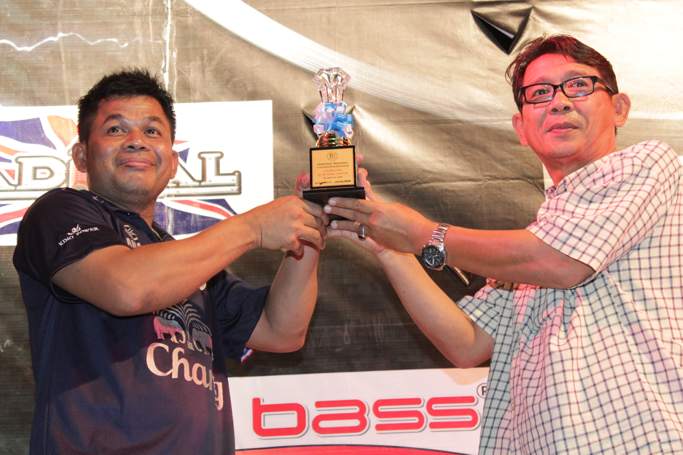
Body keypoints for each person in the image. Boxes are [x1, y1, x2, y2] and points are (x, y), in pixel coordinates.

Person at [326, 35, 683, 453]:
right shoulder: (536, 242)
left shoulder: (647, 165)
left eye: (578, 85)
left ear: (619, 108)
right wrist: (389, 247)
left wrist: (423, 234)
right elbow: (466, 343)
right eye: (540, 93)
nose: (560, 102)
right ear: (521, 128)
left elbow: (561, 263)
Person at [13, 69, 327, 454]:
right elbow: (127, 287)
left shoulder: (184, 261)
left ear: (173, 161)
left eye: (152, 131)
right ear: (81, 154)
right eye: (115, 129)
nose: (136, 141)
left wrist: (311, 226)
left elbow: (281, 330)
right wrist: (253, 227)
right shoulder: (58, 212)